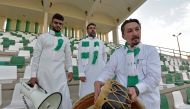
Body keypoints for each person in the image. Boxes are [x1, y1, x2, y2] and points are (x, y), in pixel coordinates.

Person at [94, 19, 161, 109]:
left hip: (148, 103)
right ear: (123, 36)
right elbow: (108, 70)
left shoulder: (151, 51)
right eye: (130, 31)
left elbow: (154, 77)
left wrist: (137, 89)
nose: (135, 33)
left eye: (137, 29)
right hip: (123, 104)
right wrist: (99, 80)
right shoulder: (117, 53)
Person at [29, 13, 73, 109]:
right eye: (56, 22)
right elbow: (36, 57)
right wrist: (33, 75)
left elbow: (68, 57)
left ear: (62, 25)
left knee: (63, 98)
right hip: (44, 75)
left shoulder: (65, 40)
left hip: (60, 75)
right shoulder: (43, 37)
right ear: (51, 23)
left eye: (60, 23)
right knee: (45, 99)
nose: (58, 25)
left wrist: (70, 70)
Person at [78, 23, 107, 98]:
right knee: (86, 93)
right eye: (90, 28)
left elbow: (104, 56)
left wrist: (103, 66)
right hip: (87, 72)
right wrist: (81, 73)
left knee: (99, 93)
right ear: (87, 30)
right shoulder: (82, 42)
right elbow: (79, 58)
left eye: (94, 28)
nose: (93, 29)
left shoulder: (101, 42)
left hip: (99, 71)